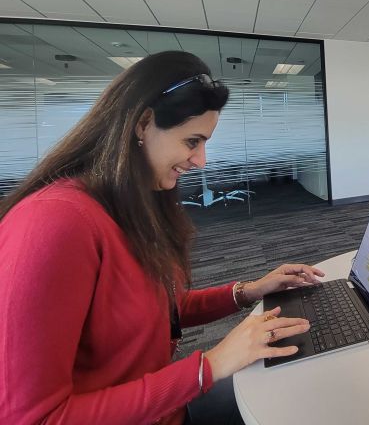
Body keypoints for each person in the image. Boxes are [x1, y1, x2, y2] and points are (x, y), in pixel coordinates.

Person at [0, 51, 325, 425]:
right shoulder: (53, 222)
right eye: (192, 141)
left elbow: (156, 311)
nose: (201, 160)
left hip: (169, 407)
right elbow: (33, 418)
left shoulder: (131, 204)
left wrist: (249, 291)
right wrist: (209, 366)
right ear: (142, 124)